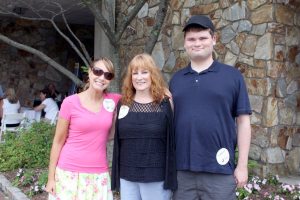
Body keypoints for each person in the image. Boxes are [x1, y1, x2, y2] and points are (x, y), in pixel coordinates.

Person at [169, 15, 252, 200]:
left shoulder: (232, 77)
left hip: (219, 172)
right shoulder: (176, 80)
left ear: (214, 40)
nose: (197, 43)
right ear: (184, 43)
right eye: (191, 39)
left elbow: (244, 122)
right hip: (182, 172)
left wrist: (242, 165)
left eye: (203, 38)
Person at [46, 57, 121, 200]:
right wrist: (51, 178)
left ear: (110, 80)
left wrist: (162, 93)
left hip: (99, 175)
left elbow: (137, 95)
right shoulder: (70, 103)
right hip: (69, 173)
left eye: (108, 75)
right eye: (98, 71)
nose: (101, 77)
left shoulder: (113, 100)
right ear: (90, 72)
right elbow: (58, 141)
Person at [111, 53, 177, 200]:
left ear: (152, 74)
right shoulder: (123, 104)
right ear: (130, 77)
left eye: (144, 72)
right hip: (127, 175)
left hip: (156, 176)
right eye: (135, 73)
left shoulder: (165, 103)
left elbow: (172, 140)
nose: (139, 77)